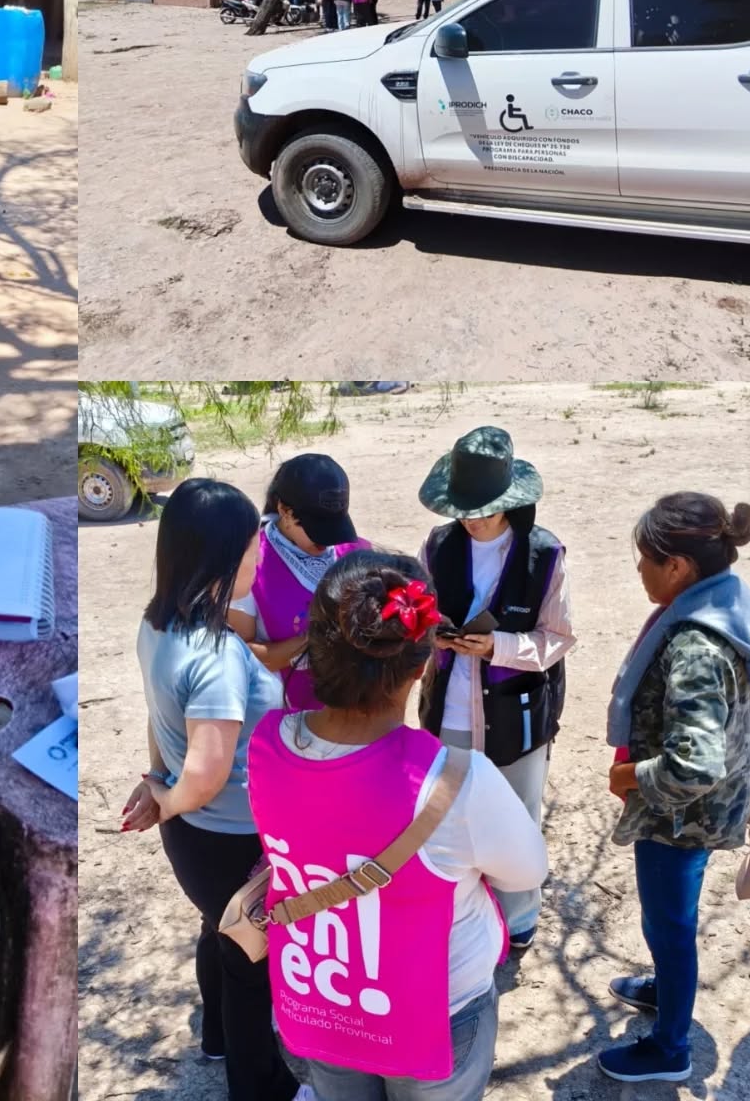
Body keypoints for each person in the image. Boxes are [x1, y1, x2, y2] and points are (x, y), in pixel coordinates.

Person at [247, 550, 548, 1099]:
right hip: (435, 1006)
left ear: (315, 647)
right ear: (423, 661)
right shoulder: (455, 779)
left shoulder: (267, 744)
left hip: (323, 997)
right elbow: (526, 870)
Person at [600, 493, 750, 1083]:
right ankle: (667, 988)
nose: (638, 570)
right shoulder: (725, 599)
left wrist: (630, 775)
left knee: (670, 924)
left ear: (678, 567)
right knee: (672, 919)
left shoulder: (694, 645)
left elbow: (694, 766)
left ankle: (668, 1049)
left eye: (644, 559)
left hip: (682, 818)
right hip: (712, 805)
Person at [120, 478, 302, 1101]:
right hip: (233, 836)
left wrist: (155, 781)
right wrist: (171, 794)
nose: (261, 557)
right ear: (230, 553)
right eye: (256, 546)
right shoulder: (217, 654)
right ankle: (263, 1088)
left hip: (193, 837)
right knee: (251, 964)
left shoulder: (158, 624)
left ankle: (218, 1037)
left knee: (216, 930)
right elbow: (206, 771)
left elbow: (157, 719)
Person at [416, 427, 574, 951]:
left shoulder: (544, 553)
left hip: (517, 713)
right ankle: (458, 919)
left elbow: (556, 639)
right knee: (446, 814)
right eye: (464, 507)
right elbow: (418, 611)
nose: (473, 517)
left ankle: (521, 918)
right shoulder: (438, 545)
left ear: (510, 500)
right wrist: (432, 632)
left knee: (517, 815)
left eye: (484, 507)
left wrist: (497, 648)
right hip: (450, 708)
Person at [227, 454, 370, 709]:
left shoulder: (355, 552)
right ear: (284, 511)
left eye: (334, 527)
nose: (328, 540)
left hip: (353, 713)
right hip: (284, 719)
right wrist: (311, 642)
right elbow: (241, 654)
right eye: (319, 529)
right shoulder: (250, 566)